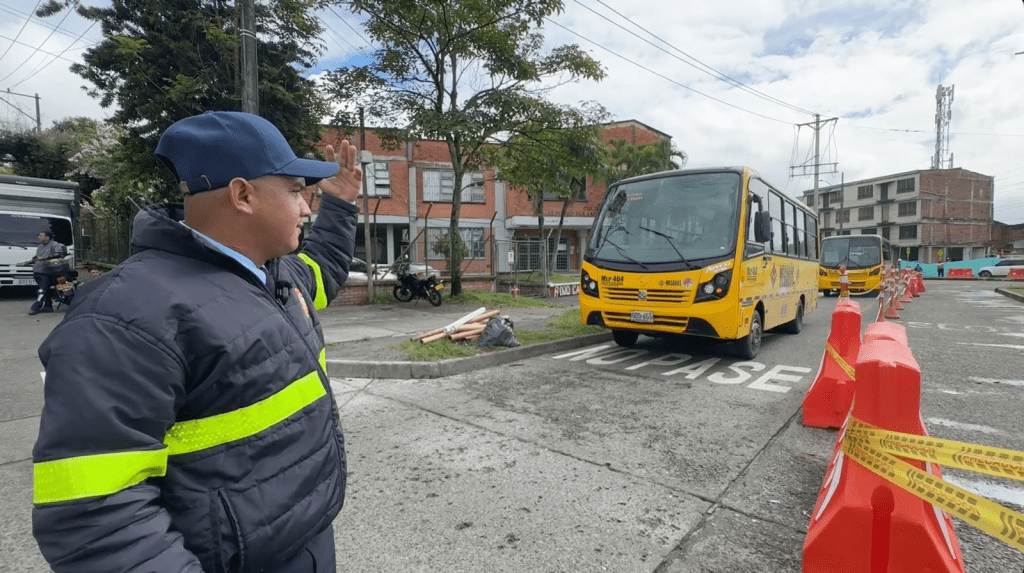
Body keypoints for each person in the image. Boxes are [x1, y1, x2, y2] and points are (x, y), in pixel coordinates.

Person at [32, 111, 361, 573]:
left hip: (306, 544)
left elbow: (323, 268)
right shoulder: (124, 315)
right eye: (294, 191)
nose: (307, 208)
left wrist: (341, 204)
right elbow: (97, 516)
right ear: (242, 195)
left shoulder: (274, 274)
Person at [27, 231, 68, 315]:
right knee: (46, 289)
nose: (39, 237)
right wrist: (29, 262)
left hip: (47, 271)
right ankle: (48, 306)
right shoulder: (40, 246)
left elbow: (59, 254)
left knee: (42, 290)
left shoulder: (54, 244)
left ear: (47, 237)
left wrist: (46, 258)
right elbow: (37, 257)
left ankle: (35, 307)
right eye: (39, 235)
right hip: (37, 271)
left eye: (41, 235)